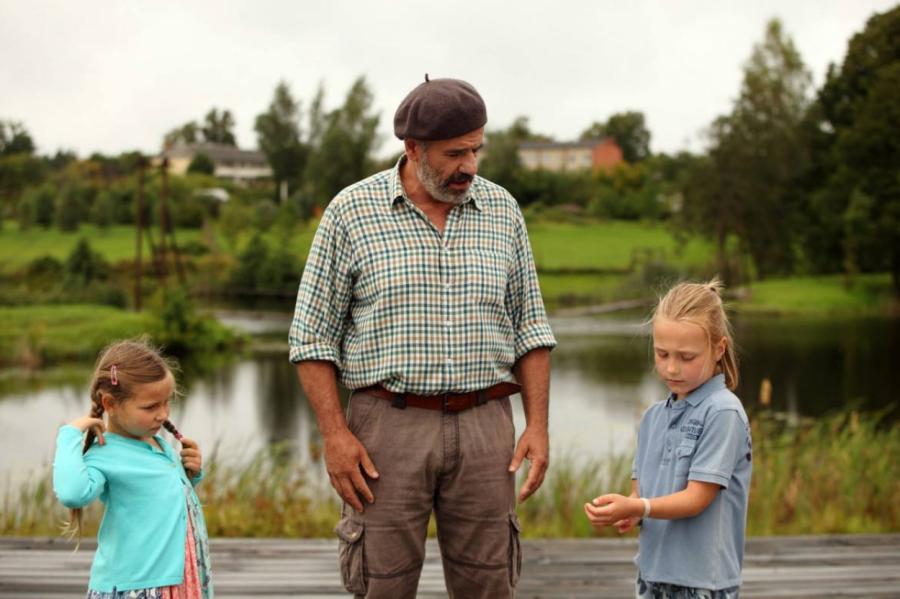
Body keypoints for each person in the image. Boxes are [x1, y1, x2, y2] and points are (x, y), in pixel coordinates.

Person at [289, 75, 556, 598]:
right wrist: (335, 435)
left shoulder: (502, 210)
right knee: (381, 586)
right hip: (384, 431)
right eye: (456, 153)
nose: (470, 167)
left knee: (489, 586)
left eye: (477, 150)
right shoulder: (351, 212)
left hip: (487, 430)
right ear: (413, 149)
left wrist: (538, 425)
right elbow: (311, 338)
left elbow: (532, 327)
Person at [584, 279, 752, 599]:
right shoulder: (652, 418)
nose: (672, 368)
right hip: (651, 576)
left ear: (719, 349)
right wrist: (629, 511)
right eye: (662, 354)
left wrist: (639, 505)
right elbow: (642, 494)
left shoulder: (723, 412)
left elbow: (696, 498)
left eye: (686, 357)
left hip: (702, 583)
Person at [53, 339, 213, 599]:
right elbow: (72, 493)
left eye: (166, 402)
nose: (163, 414)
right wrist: (70, 433)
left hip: (179, 577)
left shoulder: (159, 443)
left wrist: (191, 475)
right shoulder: (105, 453)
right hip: (137, 587)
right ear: (110, 404)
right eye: (150, 407)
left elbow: (159, 500)